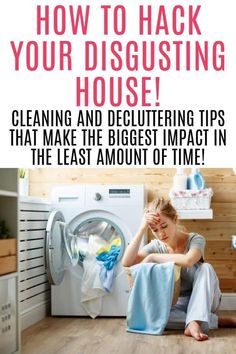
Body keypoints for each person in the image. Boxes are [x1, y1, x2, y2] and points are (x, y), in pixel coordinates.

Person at [122, 196, 236, 341]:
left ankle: (196, 320)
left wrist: (153, 258)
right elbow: (127, 262)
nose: (161, 233)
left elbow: (188, 261)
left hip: (205, 299)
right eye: (154, 229)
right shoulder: (156, 246)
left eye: (164, 226)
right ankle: (204, 322)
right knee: (151, 317)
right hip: (176, 304)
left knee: (205, 267)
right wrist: (142, 227)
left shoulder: (195, 239)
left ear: (175, 219)